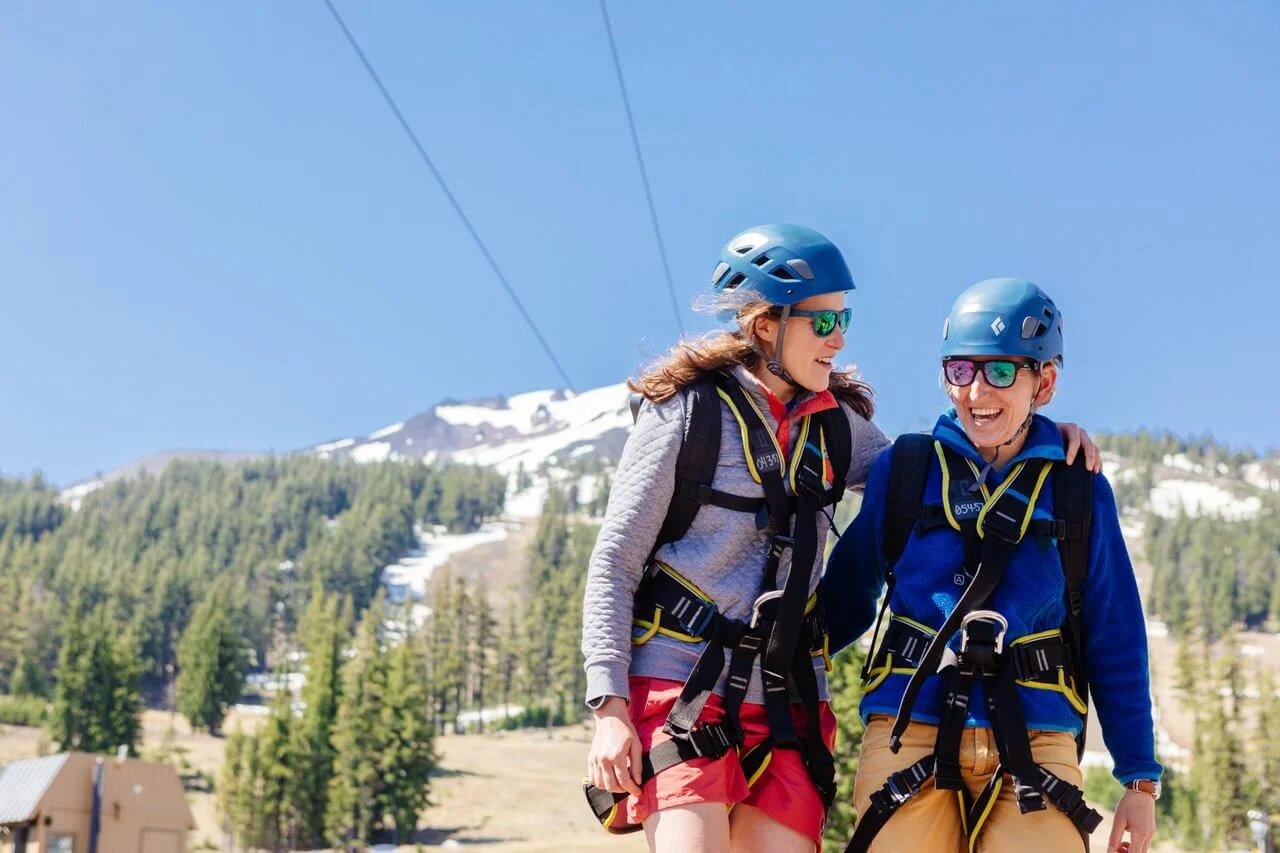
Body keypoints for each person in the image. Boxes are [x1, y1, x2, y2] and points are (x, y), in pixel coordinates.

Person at [581, 229, 1099, 853]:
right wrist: (608, 707)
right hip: (681, 684)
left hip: (786, 697)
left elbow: (934, 471)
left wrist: (1040, 434)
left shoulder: (838, 428)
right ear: (767, 324)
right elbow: (614, 562)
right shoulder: (685, 414)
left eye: (843, 317)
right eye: (824, 319)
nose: (840, 337)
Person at [822, 278, 1160, 853]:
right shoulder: (905, 471)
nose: (977, 390)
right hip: (909, 730)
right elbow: (840, 604)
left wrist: (1139, 780)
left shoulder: (1078, 490)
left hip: (1038, 739)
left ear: (1044, 382)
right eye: (961, 370)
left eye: (1001, 371)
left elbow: (1115, 634)